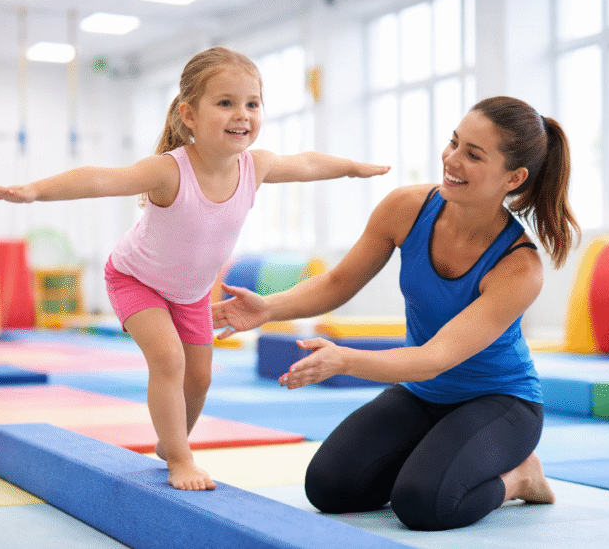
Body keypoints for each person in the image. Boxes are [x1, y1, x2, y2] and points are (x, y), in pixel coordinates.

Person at [0, 46, 389, 492]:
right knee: (168, 359)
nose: (242, 114)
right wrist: (35, 190)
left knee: (201, 378)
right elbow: (101, 179)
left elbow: (306, 163)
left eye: (252, 104)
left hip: (189, 292)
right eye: (226, 103)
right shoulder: (169, 171)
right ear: (189, 115)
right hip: (137, 280)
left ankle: (170, 441)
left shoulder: (256, 165)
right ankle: (179, 457)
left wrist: (352, 169)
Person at [213, 95, 579, 529]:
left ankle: (521, 477)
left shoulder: (518, 267)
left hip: (499, 403)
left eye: (473, 155)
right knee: (330, 488)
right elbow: (338, 282)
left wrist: (344, 359)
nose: (451, 159)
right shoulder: (408, 207)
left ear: (513, 177)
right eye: (454, 143)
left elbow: (435, 357)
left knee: (424, 504)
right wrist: (268, 307)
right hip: (424, 396)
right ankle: (439, 449)